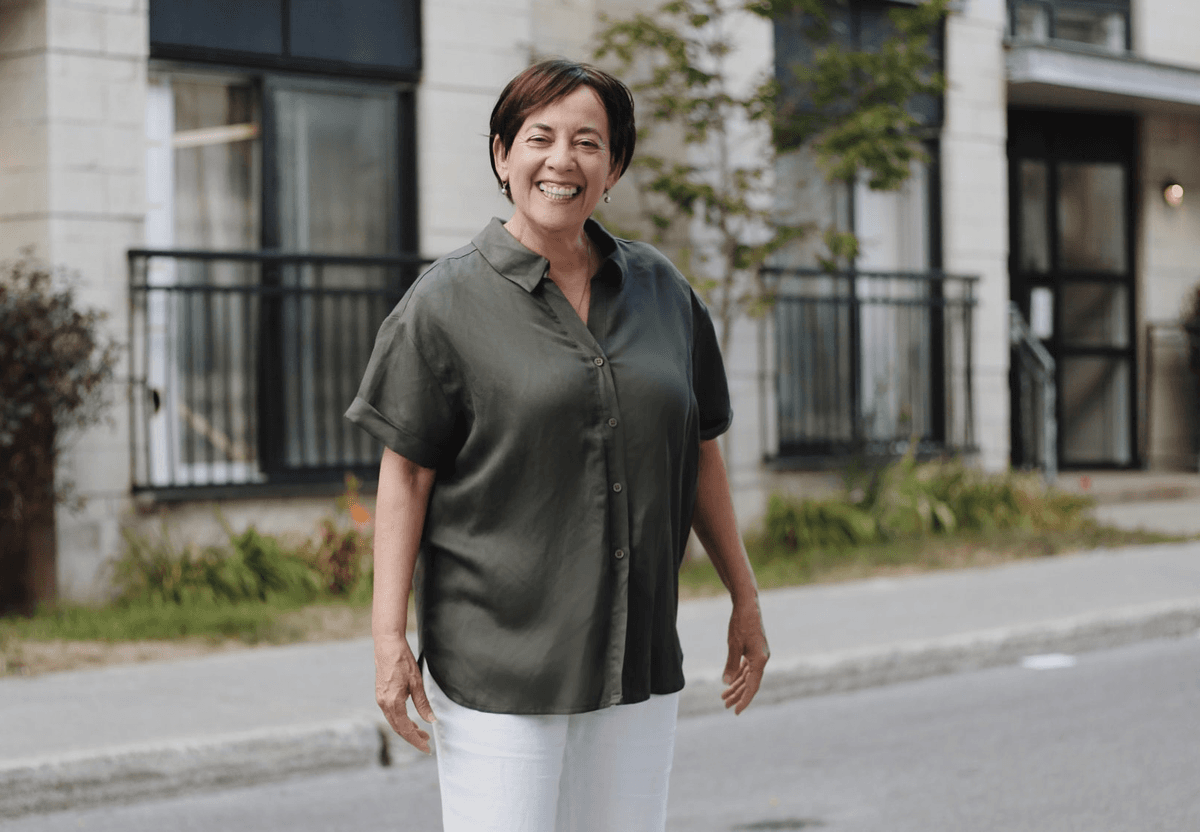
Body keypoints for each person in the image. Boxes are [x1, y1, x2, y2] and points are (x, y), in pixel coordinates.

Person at [345, 58, 769, 832]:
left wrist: (745, 597)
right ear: (503, 155)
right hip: (500, 668)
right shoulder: (444, 304)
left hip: (634, 659)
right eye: (539, 138)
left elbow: (699, 451)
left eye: (588, 142)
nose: (562, 161)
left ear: (615, 165)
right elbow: (404, 477)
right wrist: (387, 638)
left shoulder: (664, 293)